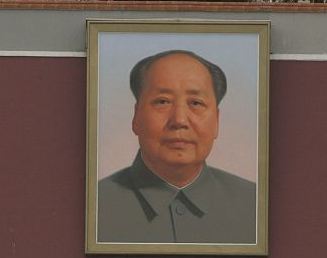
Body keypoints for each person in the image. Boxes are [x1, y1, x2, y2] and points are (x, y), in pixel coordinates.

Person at [97, 50, 256, 244]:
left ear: (217, 121)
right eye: (163, 102)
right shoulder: (95, 204)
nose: (179, 120)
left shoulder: (255, 205)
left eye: (196, 103)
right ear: (136, 117)